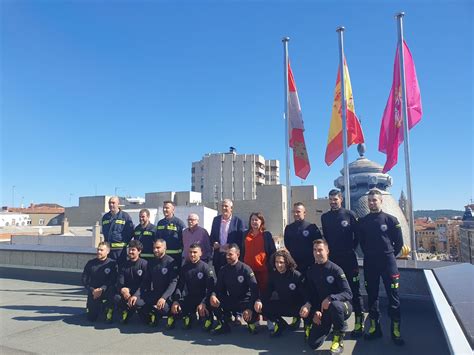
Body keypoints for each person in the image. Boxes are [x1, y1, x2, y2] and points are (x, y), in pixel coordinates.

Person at [357, 189, 404, 345]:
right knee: (372, 297)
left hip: (388, 263)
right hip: (370, 263)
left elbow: (399, 244)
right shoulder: (362, 222)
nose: (371, 203)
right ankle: (374, 327)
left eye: (374, 200)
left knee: (394, 297)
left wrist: (388, 254)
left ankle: (395, 330)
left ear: (380, 201)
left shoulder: (391, 220)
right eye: (369, 200)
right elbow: (362, 243)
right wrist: (371, 254)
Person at [321, 189, 364, 337]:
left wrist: (350, 248)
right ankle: (336, 322)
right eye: (331, 199)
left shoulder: (349, 214)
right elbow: (326, 236)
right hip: (333, 260)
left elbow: (357, 236)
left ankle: (359, 320)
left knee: (355, 290)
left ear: (341, 199)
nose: (333, 202)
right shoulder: (325, 217)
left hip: (349, 259)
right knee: (334, 290)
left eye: (335, 199)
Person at [299, 239, 352, 354]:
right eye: (314, 250)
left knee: (335, 306)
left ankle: (338, 336)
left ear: (327, 251)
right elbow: (312, 295)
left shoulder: (336, 269)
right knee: (313, 344)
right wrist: (314, 311)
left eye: (320, 250)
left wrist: (331, 298)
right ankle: (331, 324)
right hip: (323, 309)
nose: (317, 253)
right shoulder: (311, 271)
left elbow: (348, 293)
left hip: (342, 306)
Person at [254, 249, 307, 337]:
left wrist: (307, 305)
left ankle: (307, 326)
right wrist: (259, 300)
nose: (279, 265)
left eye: (281, 262)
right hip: (284, 304)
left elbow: (306, 294)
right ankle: (281, 324)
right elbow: (267, 292)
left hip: (299, 308)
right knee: (263, 306)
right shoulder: (274, 275)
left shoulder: (296, 275)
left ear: (287, 262)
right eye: (276, 262)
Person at [209, 244, 259, 335]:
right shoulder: (223, 270)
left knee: (253, 311)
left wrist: (250, 308)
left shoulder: (246, 269)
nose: (228, 256)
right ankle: (224, 325)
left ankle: (251, 323)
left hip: (245, 301)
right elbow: (217, 288)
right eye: (227, 254)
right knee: (213, 301)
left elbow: (255, 290)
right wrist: (213, 295)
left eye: (230, 254)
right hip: (232, 299)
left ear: (238, 254)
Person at [169, 243, 215, 330]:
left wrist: (204, 303)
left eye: (195, 252)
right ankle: (191, 315)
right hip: (190, 297)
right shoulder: (185, 268)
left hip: (203, 298)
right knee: (182, 317)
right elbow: (180, 286)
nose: (192, 254)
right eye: (190, 252)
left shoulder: (206, 268)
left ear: (201, 253)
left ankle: (207, 317)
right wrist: (176, 301)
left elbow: (210, 288)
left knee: (206, 326)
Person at [137, 239, 179, 328]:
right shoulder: (151, 263)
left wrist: (164, 298)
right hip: (155, 292)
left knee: (164, 309)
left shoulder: (171, 262)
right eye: (154, 248)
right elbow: (146, 281)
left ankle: (171, 315)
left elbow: (173, 283)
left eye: (158, 248)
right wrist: (138, 295)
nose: (155, 250)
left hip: (167, 295)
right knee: (139, 305)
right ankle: (154, 315)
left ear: (165, 248)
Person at [238, 212, 276, 297]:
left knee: (263, 293)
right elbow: (242, 251)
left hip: (262, 270)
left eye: (256, 220)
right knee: (250, 294)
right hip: (248, 270)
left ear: (261, 221)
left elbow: (273, 252)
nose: (254, 222)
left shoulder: (266, 235)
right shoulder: (245, 234)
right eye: (252, 220)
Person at [82, 242, 118, 323]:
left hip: (106, 291)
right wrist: (92, 290)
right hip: (94, 292)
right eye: (98, 249)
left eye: (101, 250)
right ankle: (94, 307)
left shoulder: (112, 264)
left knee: (114, 293)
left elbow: (113, 280)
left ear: (108, 251)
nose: (99, 252)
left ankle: (109, 310)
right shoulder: (90, 263)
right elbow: (84, 279)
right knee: (91, 318)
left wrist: (102, 289)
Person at [113, 240, 148, 324]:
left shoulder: (144, 264)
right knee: (116, 297)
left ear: (139, 251)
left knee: (137, 303)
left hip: (140, 293)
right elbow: (120, 281)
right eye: (130, 249)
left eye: (133, 250)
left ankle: (142, 313)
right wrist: (123, 289)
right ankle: (126, 311)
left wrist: (135, 295)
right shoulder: (124, 265)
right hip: (127, 293)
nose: (130, 252)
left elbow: (145, 283)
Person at [284, 202, 322, 274]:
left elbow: (319, 244)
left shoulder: (312, 227)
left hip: (310, 264)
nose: (295, 214)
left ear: (304, 213)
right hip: (294, 264)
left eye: (298, 212)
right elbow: (287, 244)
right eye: (294, 212)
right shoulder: (289, 228)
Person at [210, 199, 244, 272]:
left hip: (231, 257)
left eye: (226, 206)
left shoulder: (238, 222)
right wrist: (214, 243)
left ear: (231, 208)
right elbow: (212, 236)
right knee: (219, 279)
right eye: (222, 206)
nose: (224, 208)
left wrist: (230, 245)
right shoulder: (216, 220)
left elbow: (241, 240)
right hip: (218, 256)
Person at [101, 196, 134, 265]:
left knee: (120, 271)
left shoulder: (125, 216)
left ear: (118, 204)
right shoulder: (105, 217)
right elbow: (104, 232)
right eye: (109, 203)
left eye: (113, 203)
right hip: (108, 251)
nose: (111, 205)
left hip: (120, 251)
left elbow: (130, 232)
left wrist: (123, 242)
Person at [156, 201, 186, 269]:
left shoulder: (179, 223)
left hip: (175, 257)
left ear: (173, 209)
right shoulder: (160, 223)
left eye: (167, 208)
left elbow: (184, 239)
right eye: (163, 208)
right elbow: (157, 239)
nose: (164, 210)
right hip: (162, 256)